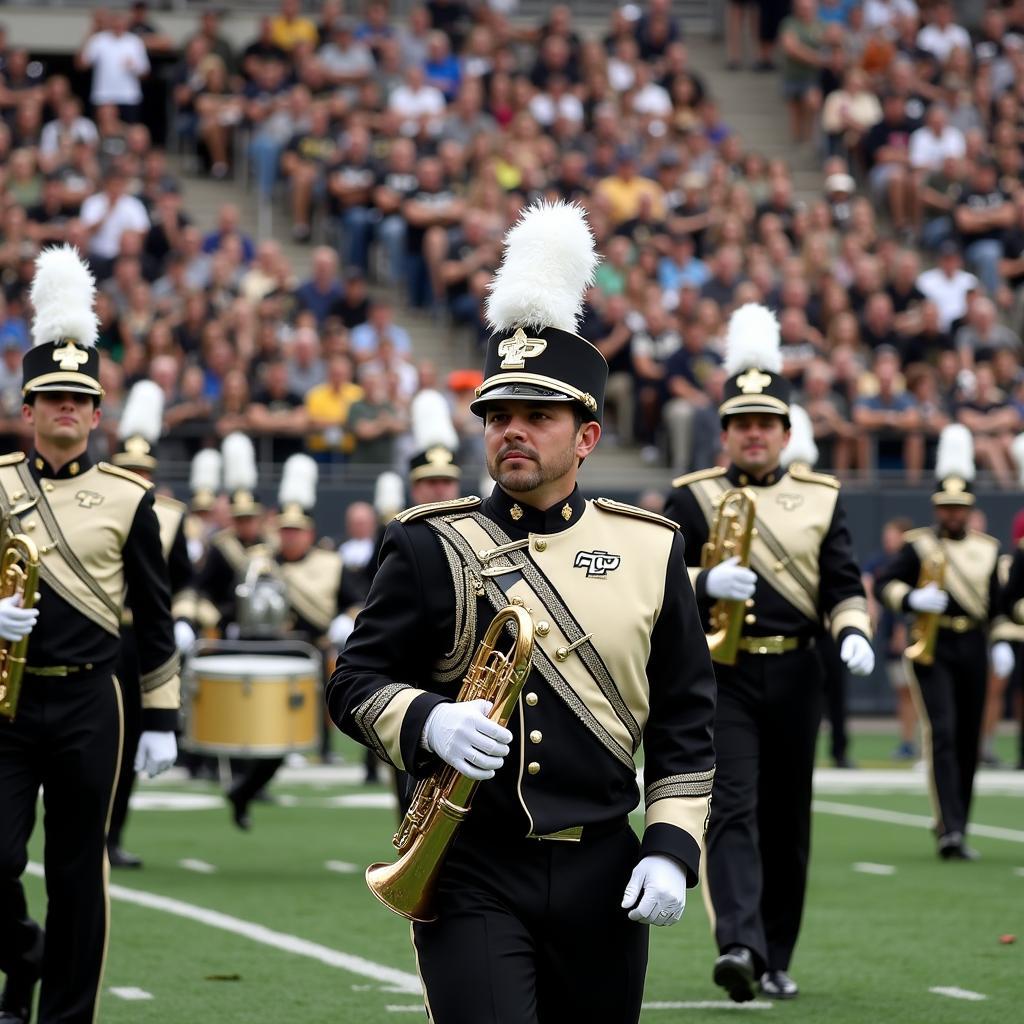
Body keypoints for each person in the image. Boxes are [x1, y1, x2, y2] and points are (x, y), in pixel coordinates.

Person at [327, 202, 716, 1024]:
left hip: (605, 865)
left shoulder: (651, 549)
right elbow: (354, 681)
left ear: (586, 436)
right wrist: (427, 721)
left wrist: (674, 848)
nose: (512, 431)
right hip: (470, 864)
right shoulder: (431, 544)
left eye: (538, 416)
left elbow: (686, 717)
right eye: (499, 415)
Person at [664, 303, 874, 1003]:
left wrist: (853, 632)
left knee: (789, 821)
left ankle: (776, 953)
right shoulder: (692, 498)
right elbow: (655, 582)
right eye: (741, 424)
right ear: (725, 432)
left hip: (797, 670)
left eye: (766, 424)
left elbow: (844, 583)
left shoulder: (822, 497)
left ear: (785, 432)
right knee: (731, 808)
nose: (753, 436)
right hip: (722, 674)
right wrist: (701, 580)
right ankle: (740, 947)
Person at [0, 246, 179, 1024]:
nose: (65, 410)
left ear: (97, 413)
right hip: (4, 704)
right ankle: (23, 955)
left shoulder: (126, 498)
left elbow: (155, 613)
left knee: (78, 873)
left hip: (89, 705)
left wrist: (163, 717)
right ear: (27, 408)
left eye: (79, 399)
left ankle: (65, 1016)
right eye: (52, 398)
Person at [875, 426, 1015, 860]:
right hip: (931, 644)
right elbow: (885, 583)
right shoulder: (918, 546)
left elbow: (999, 605)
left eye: (959, 507)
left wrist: (1001, 640)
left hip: (972, 642)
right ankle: (947, 827)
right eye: (946, 507)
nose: (952, 514)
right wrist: (911, 598)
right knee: (945, 730)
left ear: (970, 509)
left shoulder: (988, 550)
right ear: (937, 507)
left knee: (970, 737)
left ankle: (961, 824)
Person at [226, 455, 360, 829]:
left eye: (297, 530)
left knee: (292, 736)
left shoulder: (330, 564)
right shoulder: (259, 563)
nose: (290, 536)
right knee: (256, 730)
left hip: (307, 657)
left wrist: (341, 622)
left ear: (309, 531)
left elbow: (356, 602)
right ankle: (242, 786)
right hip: (264, 655)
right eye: (284, 529)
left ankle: (244, 789)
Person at [106, 380, 195, 869]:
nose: (136, 479)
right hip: (100, 632)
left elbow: (184, 582)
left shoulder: (169, 516)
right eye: (128, 471)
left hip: (144, 636)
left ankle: (113, 834)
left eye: (143, 472)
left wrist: (180, 619)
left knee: (132, 738)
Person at [781, 403, 857, 769]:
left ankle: (841, 749)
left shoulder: (822, 500)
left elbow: (839, 569)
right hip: (793, 618)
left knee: (835, 692)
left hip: (823, 620)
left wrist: (852, 622)